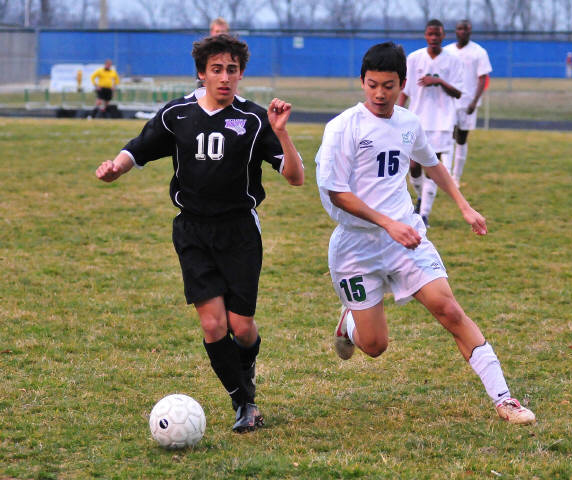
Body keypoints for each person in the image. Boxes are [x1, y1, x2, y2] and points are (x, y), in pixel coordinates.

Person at [316, 41, 535, 425]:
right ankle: (349, 324)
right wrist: (387, 223)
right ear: (362, 82)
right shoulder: (342, 128)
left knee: (448, 309)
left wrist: (464, 205)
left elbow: (432, 164)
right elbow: (337, 193)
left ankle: (505, 400)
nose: (380, 94)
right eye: (372, 85)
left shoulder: (408, 123)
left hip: (406, 238)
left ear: (403, 85)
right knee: (375, 345)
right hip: (355, 246)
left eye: (388, 86)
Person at [96, 35, 304, 433]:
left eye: (231, 70)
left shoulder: (254, 119)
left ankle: (245, 368)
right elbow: (138, 148)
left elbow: (295, 177)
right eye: (216, 69)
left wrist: (282, 133)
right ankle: (244, 402)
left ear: (241, 74)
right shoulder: (178, 114)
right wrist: (115, 168)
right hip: (192, 230)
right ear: (201, 73)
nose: (224, 77)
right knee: (213, 325)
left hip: (240, 232)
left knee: (242, 328)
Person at [397, 19, 463, 227]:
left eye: (437, 34)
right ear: (425, 35)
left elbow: (458, 93)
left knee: (433, 167)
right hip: (416, 120)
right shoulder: (414, 58)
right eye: (430, 34)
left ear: (443, 36)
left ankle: (424, 214)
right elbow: (405, 91)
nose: (433, 38)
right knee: (413, 166)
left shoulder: (453, 61)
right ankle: (420, 197)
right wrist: (396, 114)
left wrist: (439, 81)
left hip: (442, 122)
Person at [445, 19, 492, 188]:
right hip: (449, 101)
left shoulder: (479, 52)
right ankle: (446, 174)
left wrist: (475, 101)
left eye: (466, 29)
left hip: (467, 102)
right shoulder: (447, 51)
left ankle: (456, 177)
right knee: (448, 137)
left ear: (470, 31)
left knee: (461, 138)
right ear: (455, 31)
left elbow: (482, 78)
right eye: (460, 29)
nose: (463, 32)